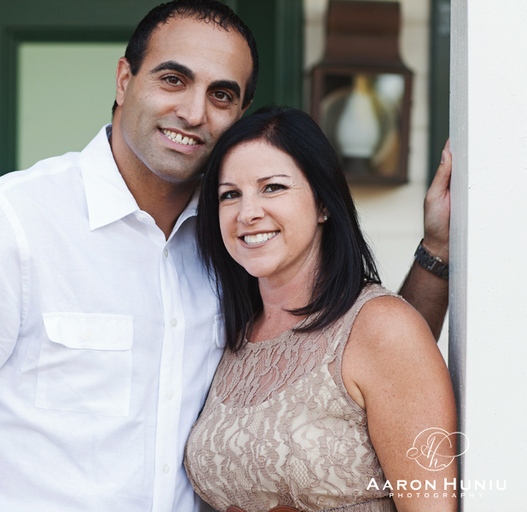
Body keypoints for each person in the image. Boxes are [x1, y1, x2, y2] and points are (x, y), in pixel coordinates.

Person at [0, 2, 452, 512]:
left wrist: (436, 253)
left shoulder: (236, 250)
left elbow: (358, 361)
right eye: (173, 79)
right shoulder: (11, 220)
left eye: (221, 95)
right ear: (124, 79)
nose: (194, 113)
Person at [184, 106, 456, 512]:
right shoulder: (229, 331)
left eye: (273, 187)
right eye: (230, 194)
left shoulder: (382, 326)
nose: (248, 212)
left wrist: (437, 247)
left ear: (324, 203)